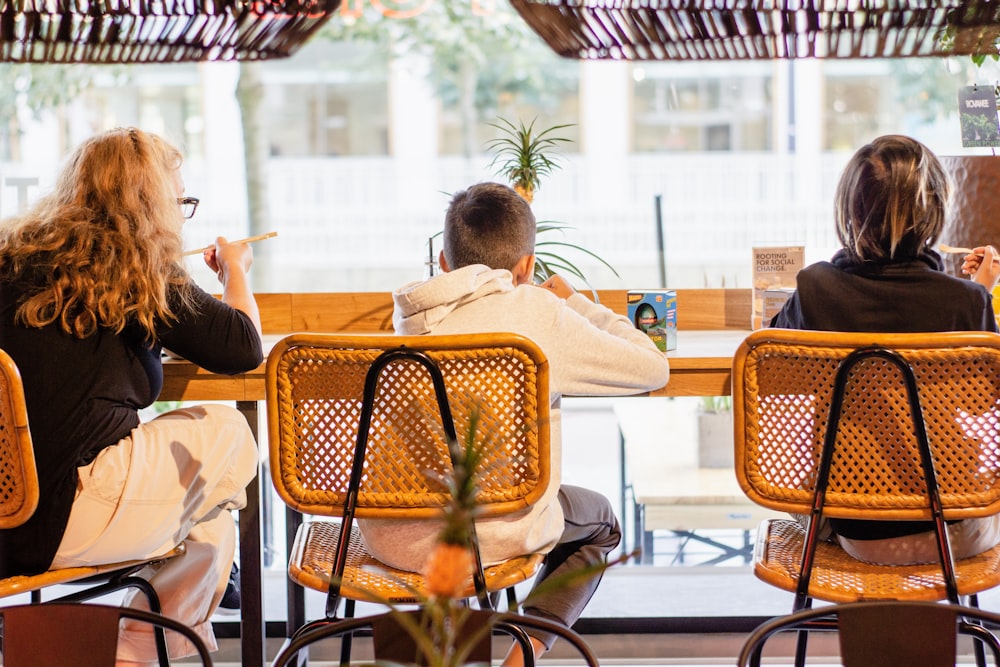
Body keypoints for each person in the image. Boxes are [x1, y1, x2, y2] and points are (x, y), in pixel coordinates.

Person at [357, 181, 671, 667]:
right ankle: (522, 657)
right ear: (526, 266)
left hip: (391, 537)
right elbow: (653, 367)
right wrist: (574, 303)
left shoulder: (409, 323)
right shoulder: (538, 314)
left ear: (444, 262)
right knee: (601, 523)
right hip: (488, 535)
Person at [0, 127, 263, 666]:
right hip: (64, 514)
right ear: (154, 206)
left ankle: (134, 644)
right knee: (228, 434)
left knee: (208, 508)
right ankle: (132, 651)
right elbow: (242, 347)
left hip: (6, 518)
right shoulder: (137, 266)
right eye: (180, 202)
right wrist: (235, 269)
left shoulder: (12, 257)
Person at [770, 133, 1000, 566]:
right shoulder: (965, 302)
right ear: (934, 212)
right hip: (956, 530)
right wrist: (980, 295)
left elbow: (776, 368)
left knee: (804, 494)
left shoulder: (815, 289)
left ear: (848, 211)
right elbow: (983, 400)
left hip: (854, 531)